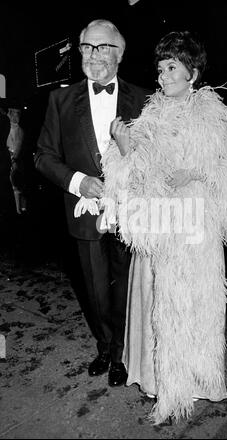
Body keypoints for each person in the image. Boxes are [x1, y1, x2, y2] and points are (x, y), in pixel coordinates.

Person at [76, 31, 227, 424]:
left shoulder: (212, 114)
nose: (163, 76)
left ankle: (193, 383)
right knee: (159, 308)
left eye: (172, 67)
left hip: (196, 230)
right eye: (160, 69)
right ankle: (162, 385)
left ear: (192, 73)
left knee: (192, 307)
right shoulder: (151, 115)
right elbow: (131, 176)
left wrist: (194, 171)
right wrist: (124, 148)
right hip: (158, 229)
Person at [35, 19, 150, 387]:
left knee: (126, 288)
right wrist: (78, 181)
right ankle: (105, 348)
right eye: (87, 47)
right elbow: (42, 156)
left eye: (102, 47)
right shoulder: (60, 99)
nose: (93, 55)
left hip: (131, 214)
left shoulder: (145, 100)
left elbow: (157, 158)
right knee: (97, 290)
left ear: (120, 53)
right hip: (85, 215)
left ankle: (122, 353)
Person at [6, 106, 27, 214]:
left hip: (15, 160)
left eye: (15, 113)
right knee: (15, 185)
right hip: (11, 159)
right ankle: (19, 209)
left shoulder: (19, 130)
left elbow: (18, 146)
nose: (12, 115)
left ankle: (21, 209)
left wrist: (14, 159)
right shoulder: (9, 127)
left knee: (17, 186)